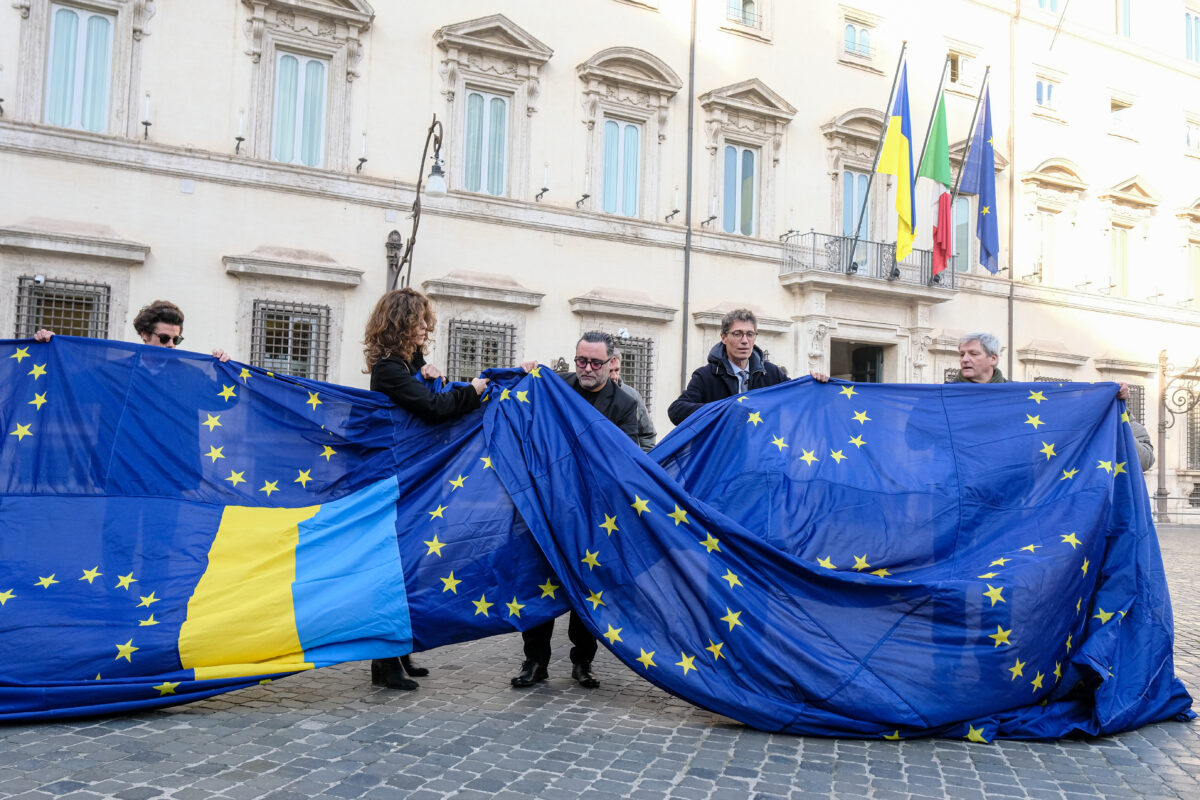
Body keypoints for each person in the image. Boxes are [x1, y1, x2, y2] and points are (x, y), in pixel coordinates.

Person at [363, 288, 489, 690]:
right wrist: (473, 391)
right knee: (393, 569)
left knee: (408, 567)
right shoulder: (388, 370)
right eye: (417, 321)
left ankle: (399, 650)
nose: (424, 327)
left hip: (413, 477)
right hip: (396, 479)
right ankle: (383, 663)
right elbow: (433, 411)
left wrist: (438, 376)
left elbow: (431, 396)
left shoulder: (407, 364)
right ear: (399, 324)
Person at [512, 331, 638, 690]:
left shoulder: (625, 404)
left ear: (612, 363)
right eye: (581, 360)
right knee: (539, 585)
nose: (586, 368)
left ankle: (583, 662)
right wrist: (524, 374)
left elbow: (623, 458)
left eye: (595, 363)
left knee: (589, 586)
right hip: (548, 507)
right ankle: (535, 662)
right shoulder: (554, 387)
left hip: (594, 513)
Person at [952, 332, 1150, 466]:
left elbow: (1070, 408)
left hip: (1011, 490)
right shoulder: (945, 398)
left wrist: (1111, 400)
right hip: (960, 492)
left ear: (993, 359)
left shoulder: (1019, 396)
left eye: (973, 353)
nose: (965, 359)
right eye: (962, 354)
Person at [669, 308, 823, 425]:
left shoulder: (771, 373)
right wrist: (724, 409)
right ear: (723, 337)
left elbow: (799, 399)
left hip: (761, 458)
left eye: (750, 334)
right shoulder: (706, 376)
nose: (744, 340)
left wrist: (818, 385)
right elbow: (676, 411)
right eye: (737, 334)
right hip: (724, 458)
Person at [34, 299, 230, 362]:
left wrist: (223, 367)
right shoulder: (117, 370)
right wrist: (52, 348)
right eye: (164, 338)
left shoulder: (190, 374)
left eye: (175, 340)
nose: (170, 345)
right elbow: (73, 382)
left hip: (171, 458)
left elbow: (224, 402)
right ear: (145, 334)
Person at [609, 350, 656, 452]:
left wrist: (643, 460)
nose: (614, 376)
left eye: (616, 370)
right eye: (609, 371)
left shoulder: (633, 396)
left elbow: (647, 433)